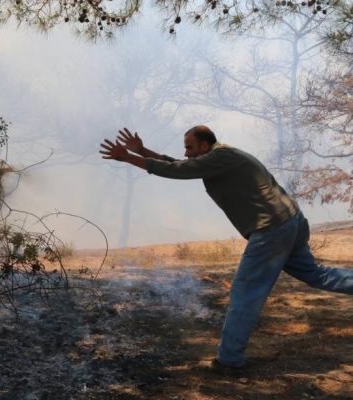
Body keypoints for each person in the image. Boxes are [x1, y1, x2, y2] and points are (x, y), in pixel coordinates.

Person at [99, 125, 353, 369]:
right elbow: (183, 165)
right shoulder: (221, 155)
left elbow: (177, 170)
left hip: (272, 229)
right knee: (315, 274)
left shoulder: (221, 157)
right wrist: (142, 152)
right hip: (290, 220)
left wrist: (128, 157)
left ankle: (228, 361)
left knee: (245, 293)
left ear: (205, 146)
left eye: (189, 147)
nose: (186, 153)